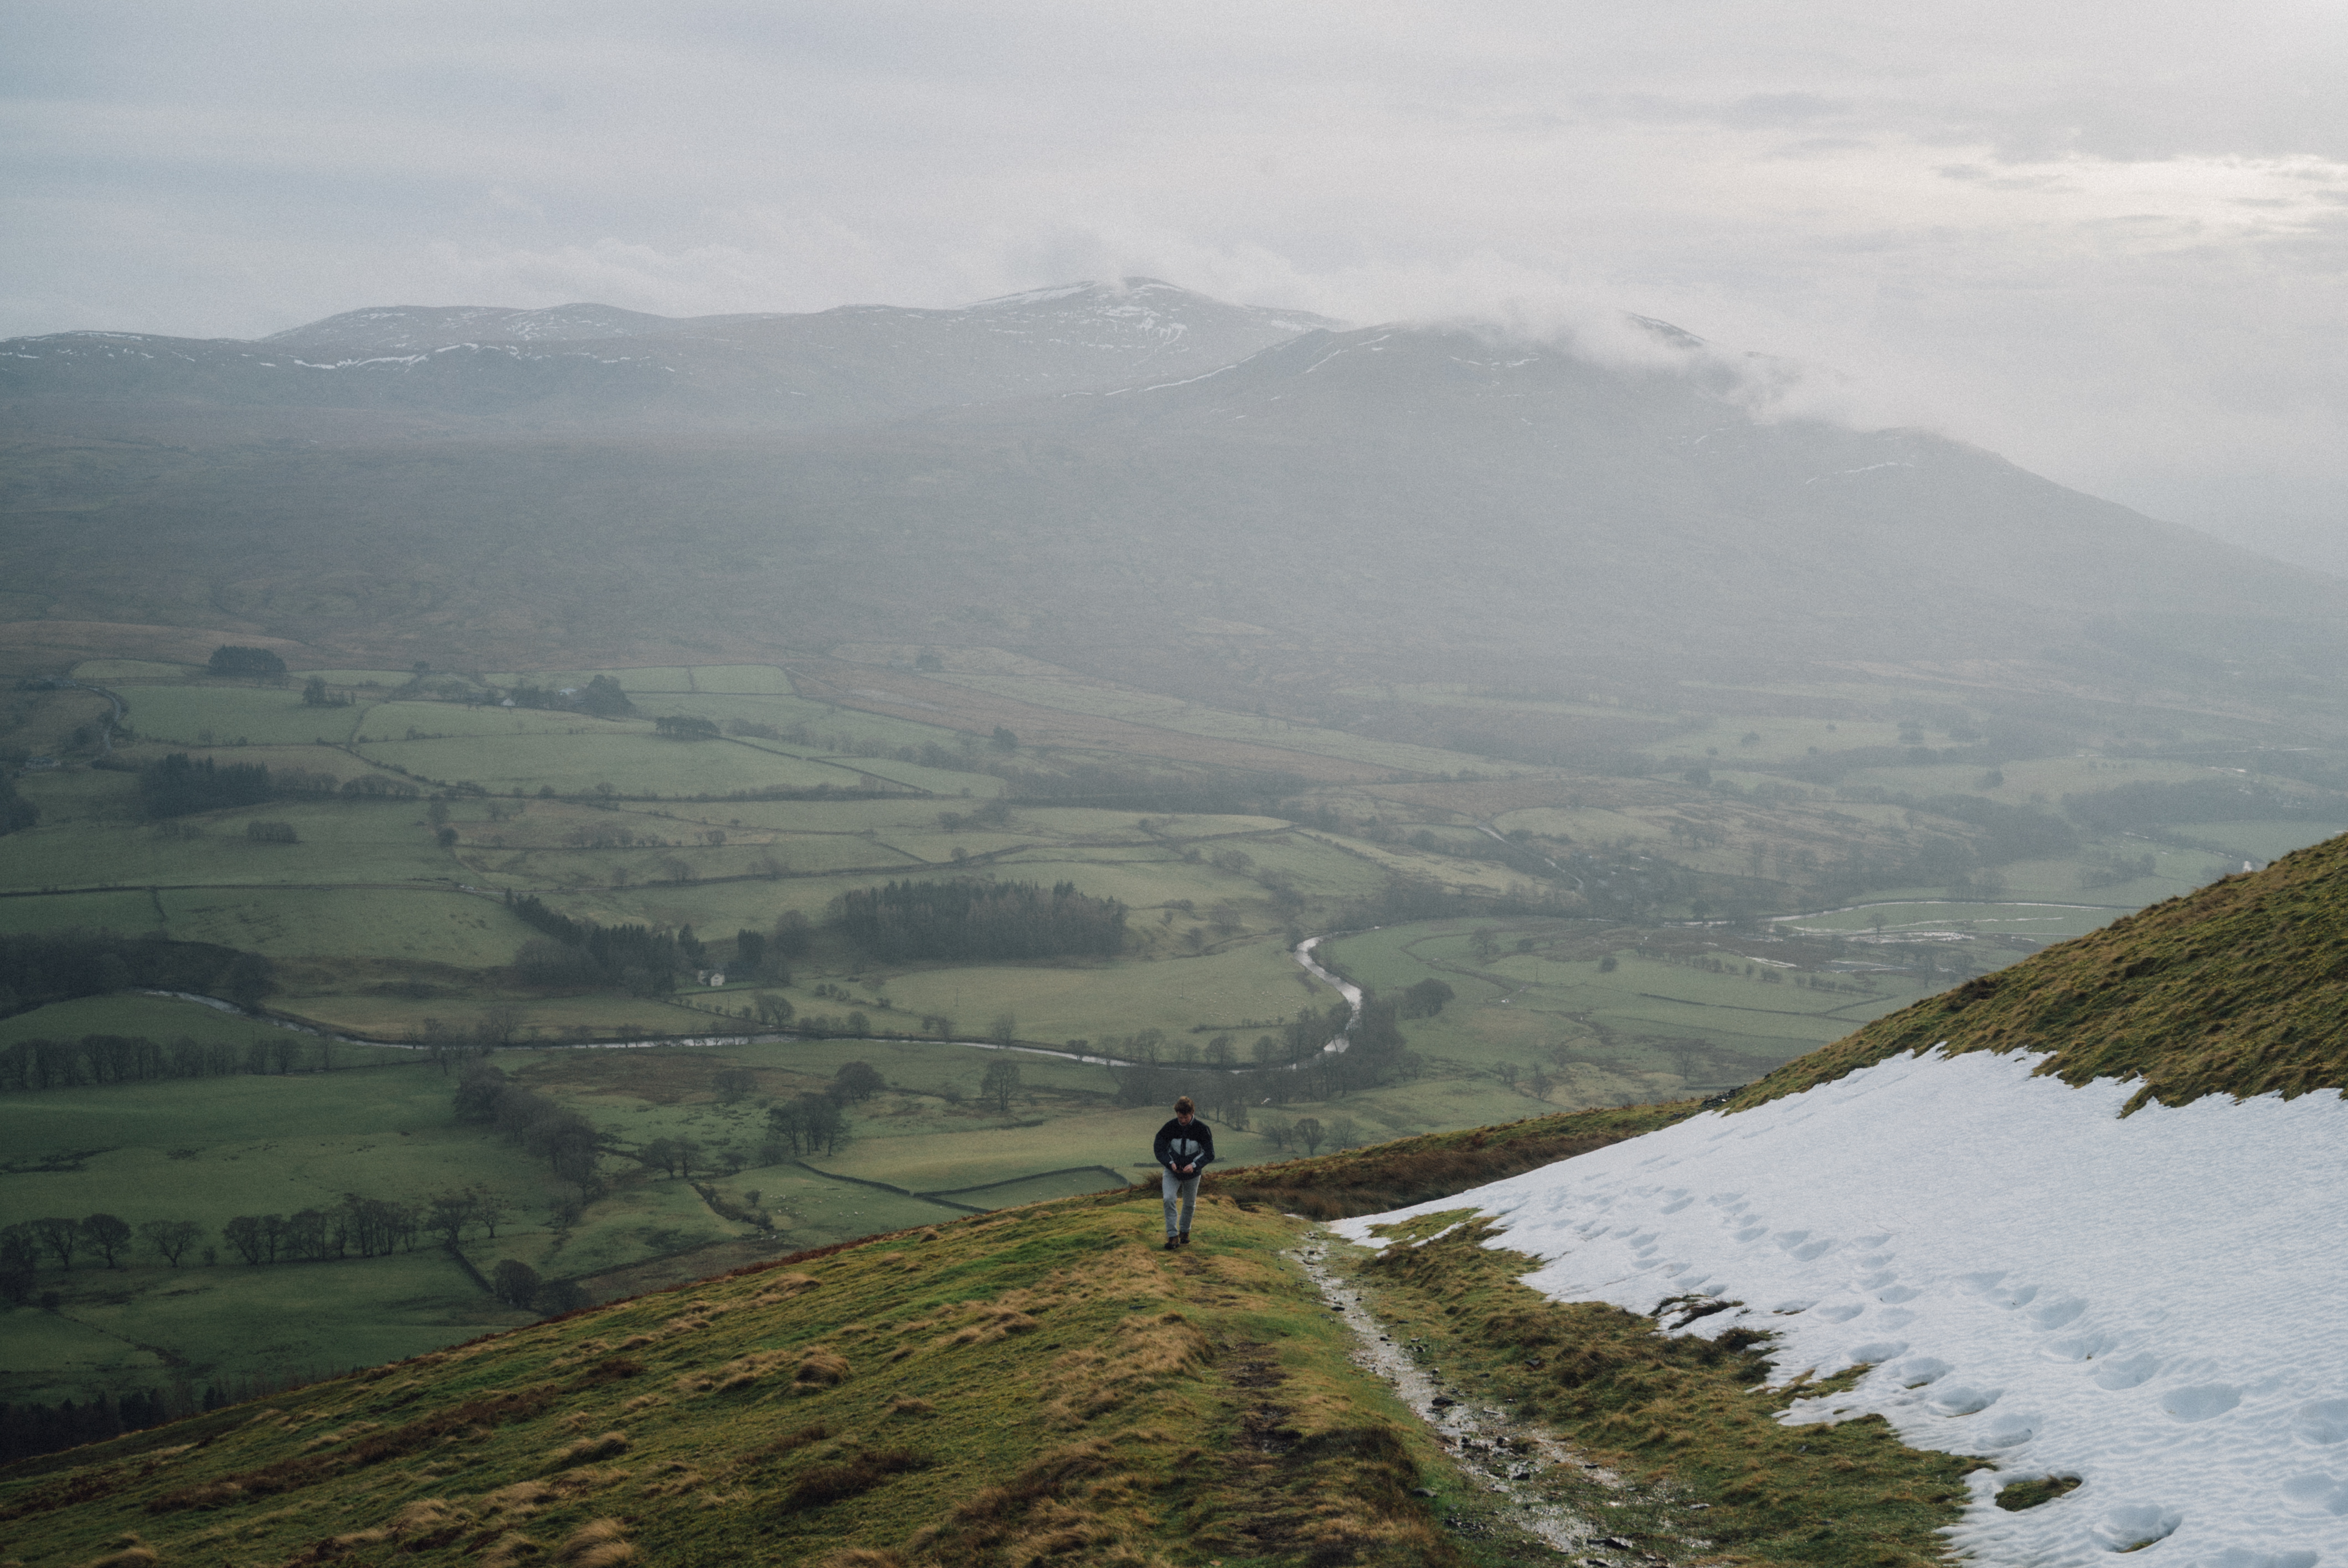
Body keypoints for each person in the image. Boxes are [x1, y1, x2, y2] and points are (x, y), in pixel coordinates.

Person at [1153, 1095, 1214, 1250]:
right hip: (1172, 1171)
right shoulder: (1170, 1127)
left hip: (1193, 1174)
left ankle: (1185, 1232)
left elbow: (1209, 1153)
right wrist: (1170, 1163)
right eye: (1180, 1117)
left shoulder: (1202, 1129)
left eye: (1186, 1117)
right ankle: (1172, 1236)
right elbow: (1159, 1148)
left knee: (1189, 1204)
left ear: (1192, 1113)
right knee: (1168, 1199)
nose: (1183, 1121)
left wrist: (1194, 1165)